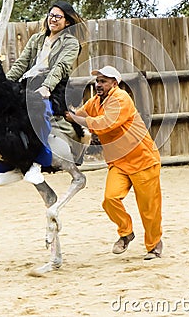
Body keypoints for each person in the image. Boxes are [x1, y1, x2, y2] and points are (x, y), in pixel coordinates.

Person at [65, 65, 163, 260]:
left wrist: (75, 118)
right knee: (110, 199)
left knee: (149, 209)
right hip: (118, 162)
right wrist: (62, 110)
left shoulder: (121, 98)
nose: (98, 84)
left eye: (103, 81)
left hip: (142, 159)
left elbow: (104, 123)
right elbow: (78, 114)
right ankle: (126, 232)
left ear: (114, 83)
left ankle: (154, 246)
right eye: (97, 80)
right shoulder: (95, 102)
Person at [0, 0, 86, 186]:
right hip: (28, 83)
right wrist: (3, 85)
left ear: (67, 22)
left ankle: (36, 161)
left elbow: (60, 67)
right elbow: (21, 64)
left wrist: (47, 87)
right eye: (51, 15)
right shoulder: (36, 39)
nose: (53, 19)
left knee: (36, 112)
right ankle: (3, 168)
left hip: (54, 86)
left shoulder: (71, 43)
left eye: (58, 17)